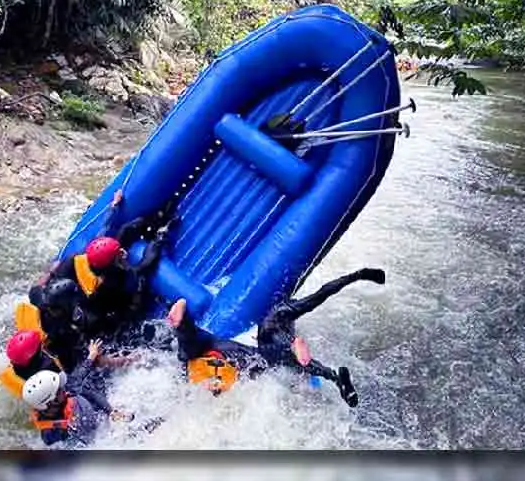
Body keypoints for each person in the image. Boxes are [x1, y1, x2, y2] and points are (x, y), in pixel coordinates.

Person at [166, 267, 386, 407]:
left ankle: (183, 322)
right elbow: (322, 294)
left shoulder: (276, 317)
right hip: (254, 347)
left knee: (189, 351)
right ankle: (334, 377)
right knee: (288, 358)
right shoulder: (279, 317)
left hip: (242, 348)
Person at [31, 190, 180, 342]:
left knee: (126, 230)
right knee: (141, 277)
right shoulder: (109, 286)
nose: (123, 252)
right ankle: (162, 233)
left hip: (88, 288)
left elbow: (104, 229)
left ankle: (159, 216)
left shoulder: (70, 264)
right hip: (107, 309)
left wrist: (114, 206)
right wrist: (160, 239)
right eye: (119, 255)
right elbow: (144, 265)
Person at [22, 339, 136, 448]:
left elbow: (82, 383)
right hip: (96, 429)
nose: (63, 389)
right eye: (59, 390)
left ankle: (132, 360)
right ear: (52, 401)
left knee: (97, 361)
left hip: (98, 405)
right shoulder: (52, 436)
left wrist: (111, 411)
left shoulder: (62, 396)